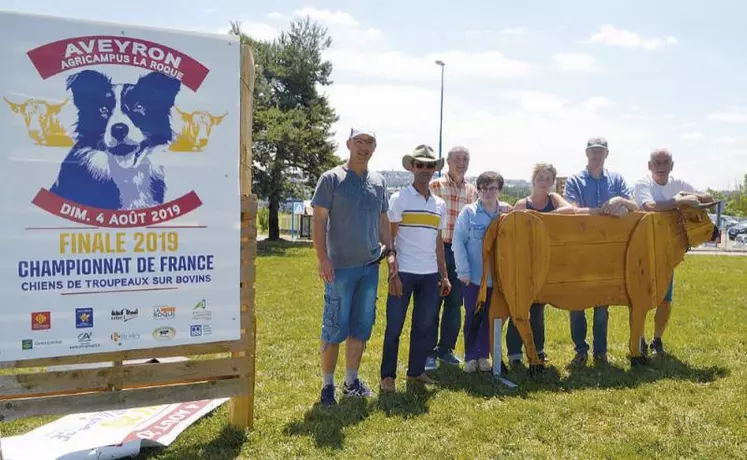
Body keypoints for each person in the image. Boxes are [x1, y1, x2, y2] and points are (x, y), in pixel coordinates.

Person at [311, 128, 396, 406]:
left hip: (370, 267)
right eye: (359, 142)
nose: (364, 147)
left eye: (369, 142)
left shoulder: (379, 182)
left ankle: (350, 382)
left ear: (374, 148)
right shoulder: (331, 179)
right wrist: (323, 258)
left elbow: (383, 219)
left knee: (361, 327)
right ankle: (327, 387)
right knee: (333, 327)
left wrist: (390, 250)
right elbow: (320, 221)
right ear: (348, 144)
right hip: (339, 268)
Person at [563, 136, 639, 367]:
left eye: (601, 151)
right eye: (592, 151)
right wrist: (606, 212)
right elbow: (573, 211)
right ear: (586, 153)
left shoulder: (617, 180)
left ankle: (600, 352)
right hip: (580, 249)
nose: (596, 155)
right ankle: (581, 350)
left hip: (608, 252)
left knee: (602, 304)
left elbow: (635, 208)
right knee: (576, 303)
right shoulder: (575, 180)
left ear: (607, 154)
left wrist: (618, 200)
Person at [380, 145, 450, 392]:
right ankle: (388, 376)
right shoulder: (399, 199)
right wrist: (393, 273)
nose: (424, 169)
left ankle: (416, 372)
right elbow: (390, 239)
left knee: (423, 326)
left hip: (429, 275)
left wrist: (444, 275)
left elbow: (438, 243)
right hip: (404, 273)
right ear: (411, 167)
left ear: (435, 169)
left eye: (429, 165)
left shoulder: (439, 204)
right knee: (394, 327)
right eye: (419, 164)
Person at [633, 148, 713, 355]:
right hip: (645, 251)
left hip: (670, 253)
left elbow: (707, 197)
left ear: (671, 166)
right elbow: (650, 205)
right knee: (642, 298)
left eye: (665, 162)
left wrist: (688, 195)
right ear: (649, 166)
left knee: (665, 300)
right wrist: (679, 202)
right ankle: (639, 339)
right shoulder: (643, 184)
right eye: (656, 162)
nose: (661, 166)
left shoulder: (679, 184)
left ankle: (657, 340)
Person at [505, 163, 576, 366]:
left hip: (546, 263)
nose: (544, 182)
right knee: (518, 308)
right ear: (533, 180)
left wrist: (540, 219)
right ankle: (514, 354)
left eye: (548, 179)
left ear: (553, 182)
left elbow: (570, 210)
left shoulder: (553, 200)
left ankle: (538, 350)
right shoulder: (522, 204)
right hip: (524, 263)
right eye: (540, 178)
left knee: (538, 309)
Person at [452, 171, 512, 372]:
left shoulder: (505, 213)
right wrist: (464, 272)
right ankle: (470, 356)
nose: (488, 192)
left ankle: (484, 355)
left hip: (498, 279)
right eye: (484, 188)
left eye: (493, 188)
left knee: (491, 317)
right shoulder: (468, 213)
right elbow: (458, 242)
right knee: (472, 316)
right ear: (478, 190)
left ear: (499, 190)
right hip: (474, 278)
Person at [427, 146, 478, 369]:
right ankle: (427, 351)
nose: (461, 162)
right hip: (437, 249)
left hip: (461, 252)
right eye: (457, 158)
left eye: (465, 158)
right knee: (433, 301)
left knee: (455, 302)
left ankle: (445, 349)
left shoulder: (472, 191)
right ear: (448, 161)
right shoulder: (435, 186)